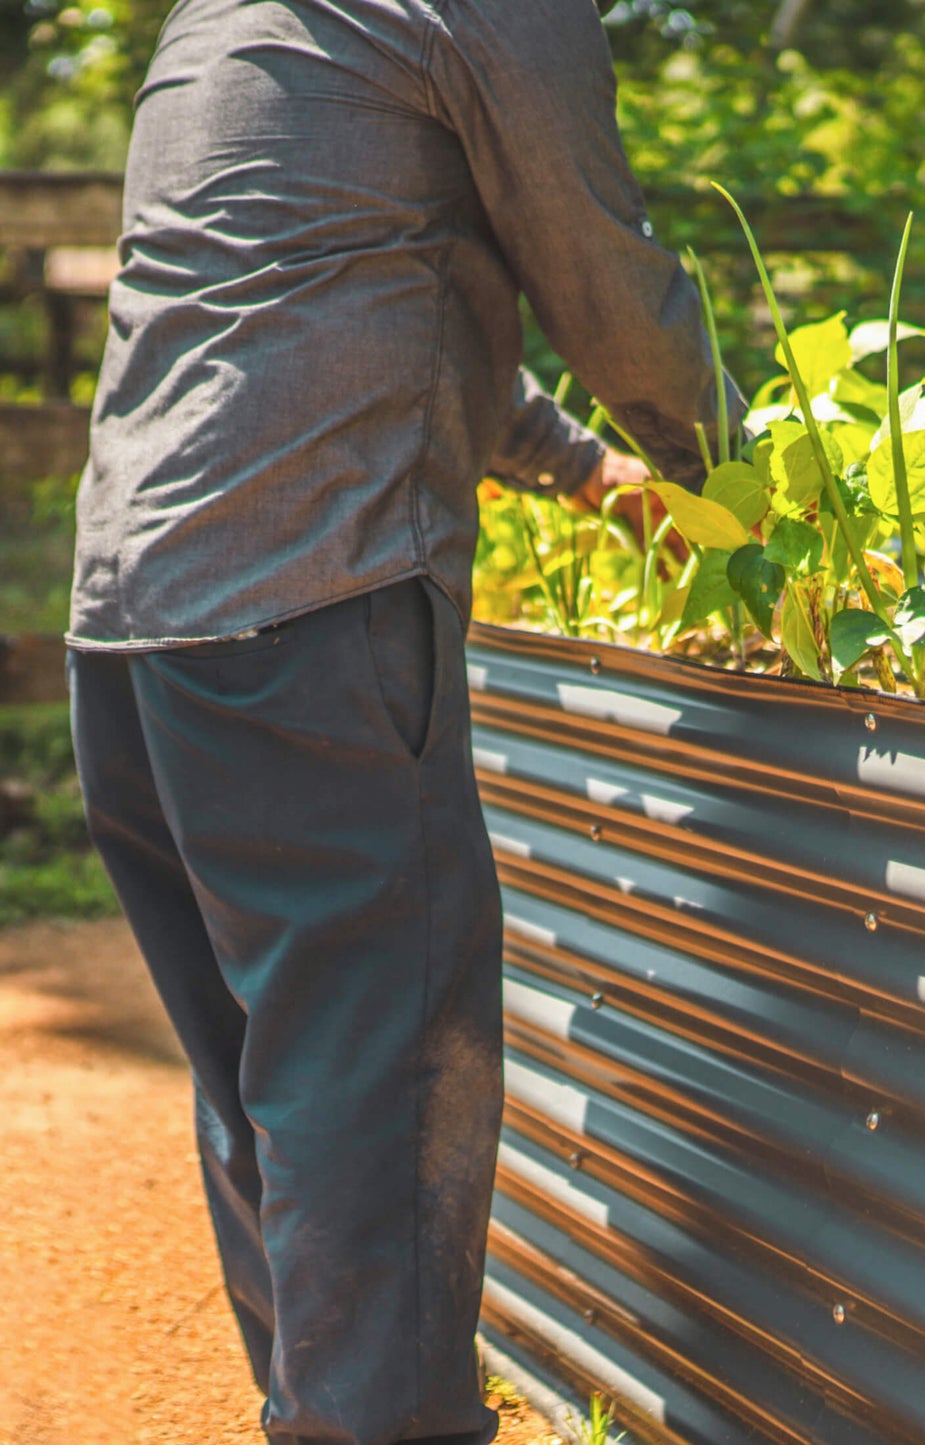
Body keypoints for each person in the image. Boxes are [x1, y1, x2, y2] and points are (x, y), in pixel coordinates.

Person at [64, 0, 742, 1440]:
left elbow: (335, 289)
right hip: (311, 611)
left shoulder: (236, 17)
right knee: (380, 1097)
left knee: (281, 1084)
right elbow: (607, 288)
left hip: (136, 632)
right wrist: (733, 485)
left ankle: (317, 1414)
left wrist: (585, 475)